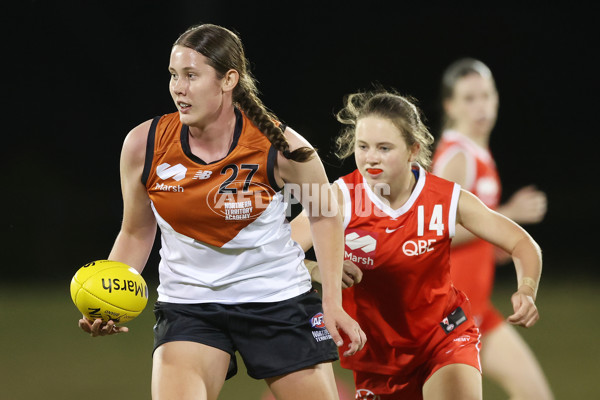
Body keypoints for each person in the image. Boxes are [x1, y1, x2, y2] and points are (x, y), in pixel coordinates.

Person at [77, 23, 366, 400]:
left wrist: (332, 302)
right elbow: (135, 232)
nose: (178, 88)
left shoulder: (281, 146)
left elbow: (325, 215)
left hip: (277, 300)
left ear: (229, 79)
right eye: (174, 75)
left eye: (192, 76)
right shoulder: (142, 145)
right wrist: (109, 299)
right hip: (190, 306)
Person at [291, 88, 543, 400]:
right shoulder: (340, 198)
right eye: (363, 146)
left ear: (413, 150)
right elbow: (276, 253)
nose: (371, 158)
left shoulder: (445, 199)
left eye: (384, 148)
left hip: (445, 336)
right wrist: (318, 268)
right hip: (378, 357)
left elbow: (521, 242)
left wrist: (526, 290)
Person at [432, 58, 553, 399]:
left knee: (535, 393)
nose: (480, 106)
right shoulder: (458, 158)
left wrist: (493, 246)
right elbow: (435, 232)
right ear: (450, 106)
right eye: (469, 98)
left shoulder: (478, 153)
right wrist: (508, 214)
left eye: (486, 95)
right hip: (448, 316)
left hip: (479, 309)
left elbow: (471, 231)